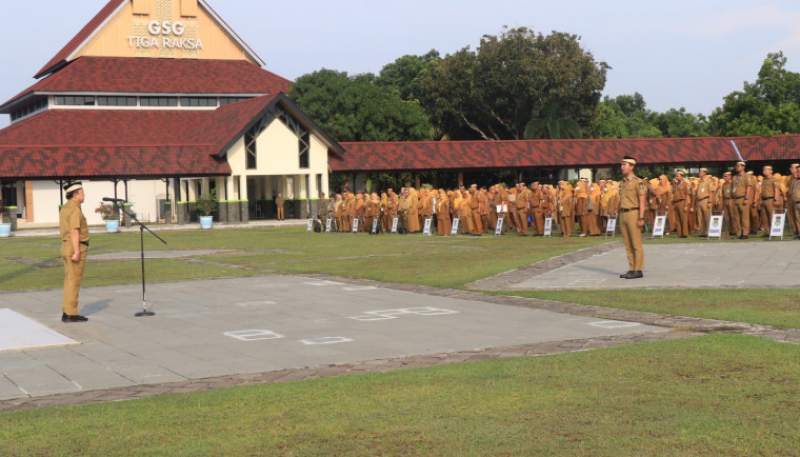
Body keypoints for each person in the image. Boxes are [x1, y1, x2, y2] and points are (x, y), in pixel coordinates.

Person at [59, 182, 90, 323]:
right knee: (74, 281)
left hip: (66, 246)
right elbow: (74, 230)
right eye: (82, 192)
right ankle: (71, 314)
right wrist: (77, 251)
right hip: (74, 247)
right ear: (76, 194)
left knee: (69, 281)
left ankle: (67, 311)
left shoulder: (66, 207)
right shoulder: (75, 209)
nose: (84, 195)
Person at [617, 157, 646, 279]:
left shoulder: (638, 182)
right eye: (622, 165)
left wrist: (641, 217)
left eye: (625, 165)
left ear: (632, 166)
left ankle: (638, 269)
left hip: (633, 213)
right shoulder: (622, 182)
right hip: (623, 213)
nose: (622, 167)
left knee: (636, 243)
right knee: (627, 244)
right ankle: (631, 268)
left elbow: (642, 201)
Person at [731, 162, 754, 239]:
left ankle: (745, 233)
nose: (737, 167)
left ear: (743, 167)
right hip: (735, 199)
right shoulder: (734, 177)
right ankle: (739, 233)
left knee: (744, 217)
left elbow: (748, 187)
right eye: (736, 166)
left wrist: (746, 198)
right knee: (736, 217)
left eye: (739, 166)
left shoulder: (746, 176)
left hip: (742, 198)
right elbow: (732, 188)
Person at [671, 170, 691, 238]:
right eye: (676, 176)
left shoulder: (685, 184)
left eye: (677, 176)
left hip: (682, 201)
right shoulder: (675, 184)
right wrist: (674, 183)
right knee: (677, 219)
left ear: (682, 176)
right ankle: (679, 234)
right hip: (676, 202)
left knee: (683, 218)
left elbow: (687, 195)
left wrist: (686, 205)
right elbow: (672, 192)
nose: (676, 177)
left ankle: (685, 233)